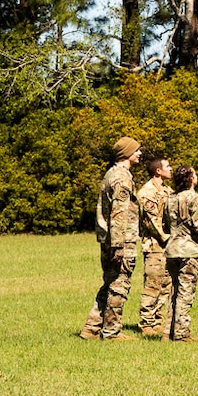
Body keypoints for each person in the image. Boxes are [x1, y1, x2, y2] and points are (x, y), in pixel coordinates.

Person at [80, 136, 142, 341]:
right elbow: (119, 213)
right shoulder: (122, 178)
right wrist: (119, 245)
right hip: (120, 240)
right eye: (136, 150)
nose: (139, 153)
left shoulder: (110, 174)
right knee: (119, 284)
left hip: (108, 239)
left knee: (109, 283)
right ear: (127, 154)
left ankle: (92, 327)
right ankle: (112, 332)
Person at [164, 165, 198, 343]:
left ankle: (168, 332)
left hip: (172, 249)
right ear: (190, 179)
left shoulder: (170, 199)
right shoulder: (195, 198)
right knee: (186, 292)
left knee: (174, 291)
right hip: (189, 250)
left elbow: (166, 225)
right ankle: (182, 333)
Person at [134, 152, 172, 338]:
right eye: (167, 167)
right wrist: (167, 238)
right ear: (158, 171)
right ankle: (147, 323)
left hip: (166, 246)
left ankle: (157, 320)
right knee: (153, 285)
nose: (171, 169)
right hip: (155, 245)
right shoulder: (148, 192)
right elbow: (152, 221)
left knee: (166, 284)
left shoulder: (166, 190)